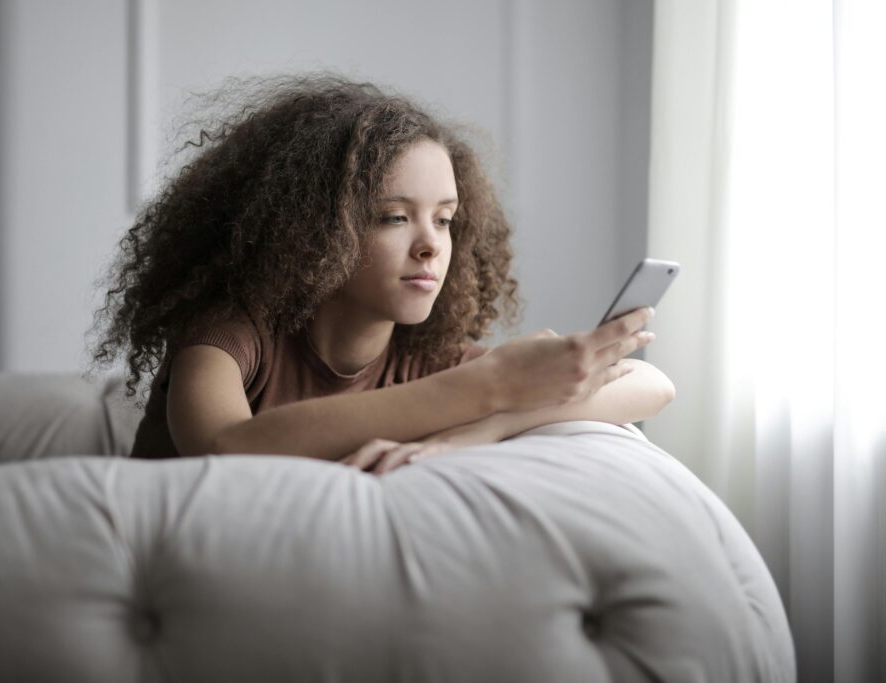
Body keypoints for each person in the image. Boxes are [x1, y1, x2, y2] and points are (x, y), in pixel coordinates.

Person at [86, 73, 674, 475]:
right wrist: (488, 388)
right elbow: (224, 446)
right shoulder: (232, 332)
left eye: (445, 220)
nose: (430, 248)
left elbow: (651, 388)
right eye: (394, 217)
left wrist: (485, 427)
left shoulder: (422, 355)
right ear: (311, 230)